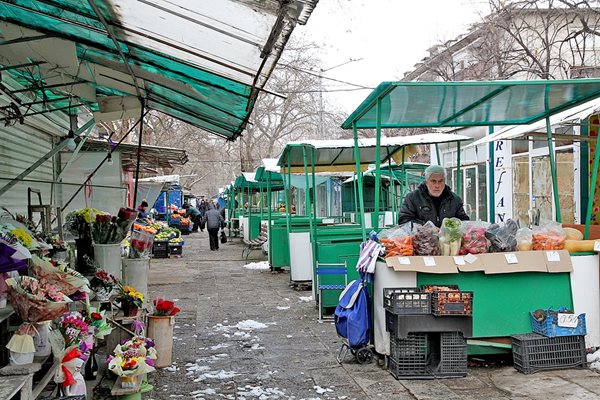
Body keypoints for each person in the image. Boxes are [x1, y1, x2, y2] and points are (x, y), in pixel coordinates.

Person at [398, 165, 469, 228]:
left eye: (441, 181)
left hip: (448, 241)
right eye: (433, 181)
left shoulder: (455, 200)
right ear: (426, 182)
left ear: (445, 182)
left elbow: (464, 221)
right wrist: (428, 228)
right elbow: (404, 221)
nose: (437, 185)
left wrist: (450, 230)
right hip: (422, 241)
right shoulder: (413, 198)